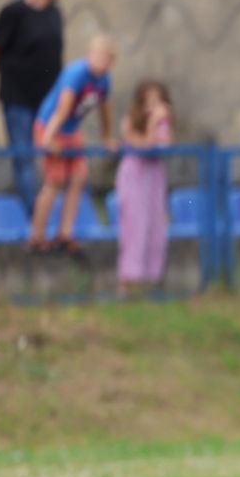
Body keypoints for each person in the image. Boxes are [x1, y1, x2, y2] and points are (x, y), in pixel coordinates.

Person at [0, 0, 65, 211]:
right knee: (24, 157)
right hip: (18, 97)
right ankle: (34, 217)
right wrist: (8, 73)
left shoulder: (55, 13)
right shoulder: (14, 12)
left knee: (52, 156)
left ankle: (50, 215)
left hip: (48, 100)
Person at [28, 34, 116, 254]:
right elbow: (62, 108)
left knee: (79, 176)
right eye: (95, 55)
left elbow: (104, 110)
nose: (98, 61)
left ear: (111, 61)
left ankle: (65, 234)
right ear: (89, 55)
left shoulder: (104, 81)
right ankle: (36, 237)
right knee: (54, 180)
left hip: (71, 130)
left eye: (104, 57)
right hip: (49, 126)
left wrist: (106, 136)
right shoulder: (76, 73)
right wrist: (48, 139)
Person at [114, 80, 173, 298]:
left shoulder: (163, 125)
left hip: (154, 179)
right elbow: (146, 145)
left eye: (158, 102)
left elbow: (164, 146)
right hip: (133, 178)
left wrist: (161, 123)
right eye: (149, 102)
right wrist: (152, 124)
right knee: (133, 228)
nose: (153, 107)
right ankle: (126, 284)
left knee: (155, 228)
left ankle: (149, 284)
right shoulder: (128, 123)